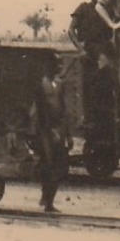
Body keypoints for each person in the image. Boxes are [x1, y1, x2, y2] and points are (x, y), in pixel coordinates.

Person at [33, 58, 71, 213]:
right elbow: (41, 112)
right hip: (45, 131)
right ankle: (47, 201)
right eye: (57, 65)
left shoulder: (59, 85)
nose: (60, 67)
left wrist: (67, 134)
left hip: (57, 130)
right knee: (49, 164)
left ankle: (48, 199)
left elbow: (63, 111)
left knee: (60, 165)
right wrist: (50, 130)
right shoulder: (40, 85)